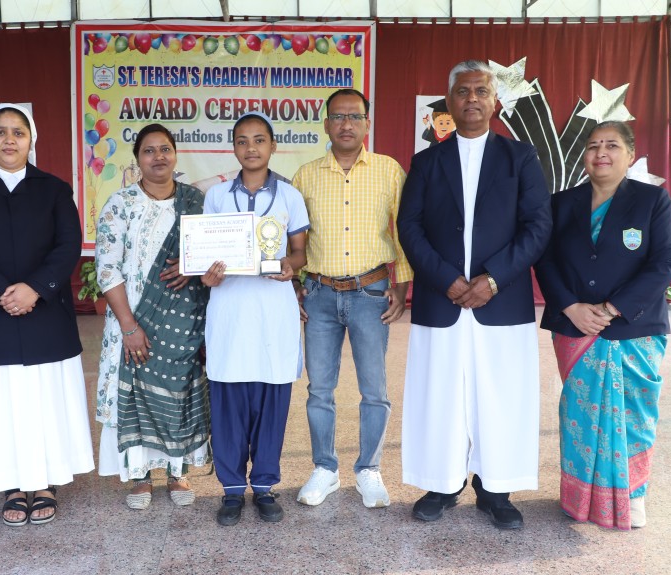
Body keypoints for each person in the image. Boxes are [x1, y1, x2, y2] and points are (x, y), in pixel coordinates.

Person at [397, 60, 551, 530]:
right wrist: (445, 278)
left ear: (495, 102)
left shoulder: (520, 158)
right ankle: (441, 485)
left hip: (501, 301)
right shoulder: (427, 161)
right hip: (440, 299)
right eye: (463, 91)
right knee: (439, 394)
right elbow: (410, 227)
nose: (472, 99)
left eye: (481, 90)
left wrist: (494, 279)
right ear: (448, 102)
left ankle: (495, 489)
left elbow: (537, 226)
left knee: (500, 396)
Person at [0, 104, 94, 526]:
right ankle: (11, 483)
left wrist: (35, 289)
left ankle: (45, 481)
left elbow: (68, 245)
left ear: (31, 140)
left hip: (45, 313)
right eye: (0, 132)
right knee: (0, 404)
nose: (9, 140)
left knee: (44, 400)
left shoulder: (54, 188)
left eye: (18, 132)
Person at [535, 121, 671, 530]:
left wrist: (612, 308)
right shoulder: (561, 203)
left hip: (635, 326)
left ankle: (633, 495)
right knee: (580, 412)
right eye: (593, 145)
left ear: (630, 155)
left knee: (635, 412)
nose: (601, 152)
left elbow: (664, 262)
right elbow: (544, 260)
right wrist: (571, 307)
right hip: (575, 326)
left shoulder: (652, 200)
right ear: (584, 155)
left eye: (612, 145)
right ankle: (580, 497)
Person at [291, 88, 411, 509]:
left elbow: (403, 231)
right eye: (338, 117)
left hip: (371, 293)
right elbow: (294, 239)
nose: (346, 124)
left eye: (355, 117)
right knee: (319, 389)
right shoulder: (305, 175)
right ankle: (325, 468)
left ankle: (369, 469)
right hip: (319, 294)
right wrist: (294, 286)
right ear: (326, 124)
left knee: (374, 389)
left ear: (367, 124)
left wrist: (402, 286)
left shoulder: (388, 170)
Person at [95, 123, 211, 510]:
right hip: (132, 318)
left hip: (184, 321)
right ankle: (140, 477)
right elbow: (107, 269)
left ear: (175, 155)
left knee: (180, 393)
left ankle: (178, 473)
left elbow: (213, 256)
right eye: (149, 150)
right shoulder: (121, 203)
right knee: (134, 392)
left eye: (165, 149)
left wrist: (194, 266)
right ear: (137, 159)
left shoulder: (196, 201)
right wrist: (129, 326)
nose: (158, 157)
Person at [201, 112, 309, 526]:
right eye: (242, 141)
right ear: (233, 147)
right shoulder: (216, 196)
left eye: (259, 140)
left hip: (273, 311)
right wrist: (207, 275)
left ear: (272, 146)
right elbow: (203, 253)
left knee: (271, 400)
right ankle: (231, 489)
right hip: (230, 310)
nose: (251, 148)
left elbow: (299, 252)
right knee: (228, 401)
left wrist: (289, 265)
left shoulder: (289, 196)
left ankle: (264, 485)